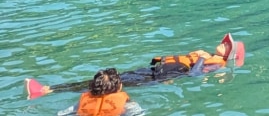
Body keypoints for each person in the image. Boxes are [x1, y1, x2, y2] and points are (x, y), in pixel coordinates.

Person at [28, 35, 243, 101]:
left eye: (227, 45)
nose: (223, 43)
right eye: (225, 41)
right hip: (152, 71)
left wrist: (201, 60)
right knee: (109, 79)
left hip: (156, 78)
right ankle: (51, 88)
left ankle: (48, 91)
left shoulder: (215, 64)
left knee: (110, 86)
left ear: (229, 54)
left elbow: (194, 75)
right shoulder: (209, 56)